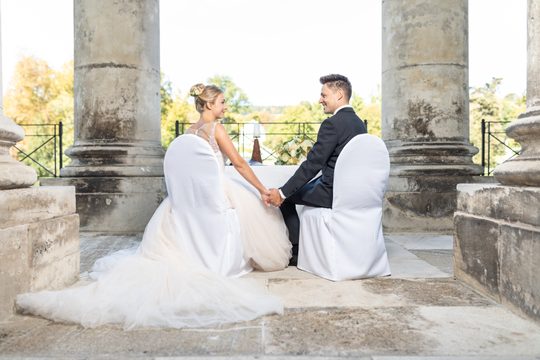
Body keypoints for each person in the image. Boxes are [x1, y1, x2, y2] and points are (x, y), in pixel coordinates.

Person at [15, 84, 291, 330]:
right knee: (256, 205)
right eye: (222, 102)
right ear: (209, 105)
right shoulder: (215, 130)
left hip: (188, 203)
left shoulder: (189, 133)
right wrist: (262, 189)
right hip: (213, 199)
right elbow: (240, 164)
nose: (225, 107)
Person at [267, 74, 367, 264]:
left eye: (324, 95)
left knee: (287, 198)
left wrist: (281, 193)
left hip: (332, 192)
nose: (320, 100)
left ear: (338, 95)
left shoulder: (332, 124)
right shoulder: (359, 124)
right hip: (354, 191)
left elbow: (312, 165)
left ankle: (297, 252)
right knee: (297, 190)